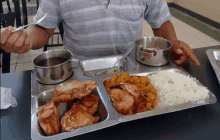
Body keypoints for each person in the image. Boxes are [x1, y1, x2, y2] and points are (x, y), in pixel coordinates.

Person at [0, 0, 200, 67]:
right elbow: (43, 29)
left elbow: (161, 21)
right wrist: (26, 38)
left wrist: (172, 43)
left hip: (131, 73)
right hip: (79, 75)